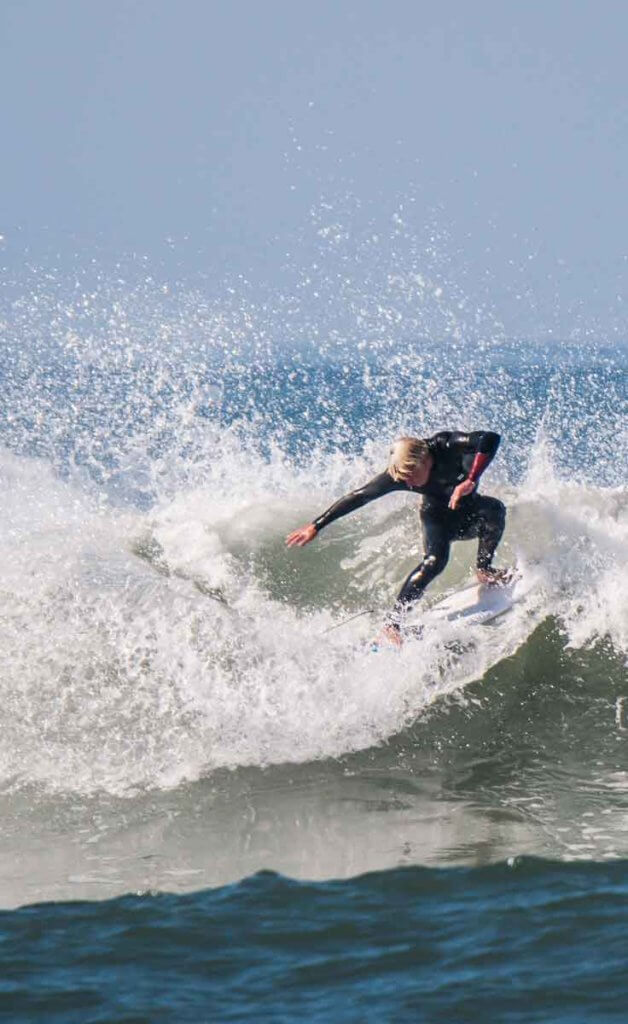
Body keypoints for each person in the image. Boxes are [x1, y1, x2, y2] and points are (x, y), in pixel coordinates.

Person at [285, 430, 507, 646]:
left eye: (411, 477)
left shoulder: (445, 445)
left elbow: (489, 438)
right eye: (404, 480)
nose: (408, 484)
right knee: (434, 562)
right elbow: (359, 497)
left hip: (470, 513)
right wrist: (316, 525)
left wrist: (471, 479)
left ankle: (484, 568)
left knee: (495, 510)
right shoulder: (401, 475)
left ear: (425, 460)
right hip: (437, 517)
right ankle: (393, 625)